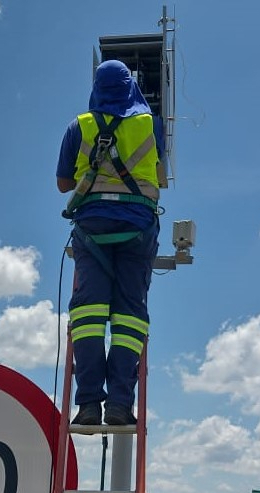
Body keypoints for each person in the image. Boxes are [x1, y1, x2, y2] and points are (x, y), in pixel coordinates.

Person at [56, 59, 168, 426]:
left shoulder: (79, 126)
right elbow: (160, 175)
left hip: (92, 231)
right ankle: (120, 405)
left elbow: (62, 184)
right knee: (129, 316)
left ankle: (88, 405)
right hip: (137, 230)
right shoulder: (150, 124)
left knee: (88, 316)